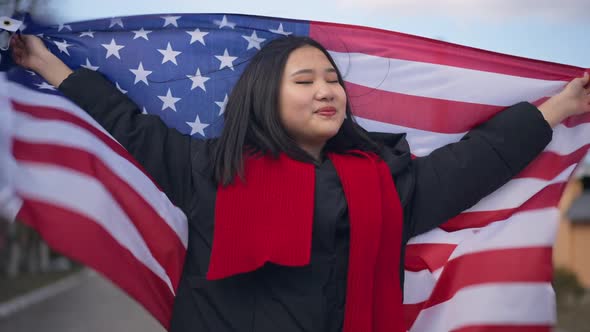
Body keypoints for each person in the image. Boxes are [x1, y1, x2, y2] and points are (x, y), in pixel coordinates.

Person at [10, 33, 590, 332]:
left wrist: (558, 106)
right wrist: (47, 66)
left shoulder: (387, 185)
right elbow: (126, 124)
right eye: (305, 79)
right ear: (266, 95)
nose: (325, 90)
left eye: (332, 79)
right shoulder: (208, 170)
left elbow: (476, 161)